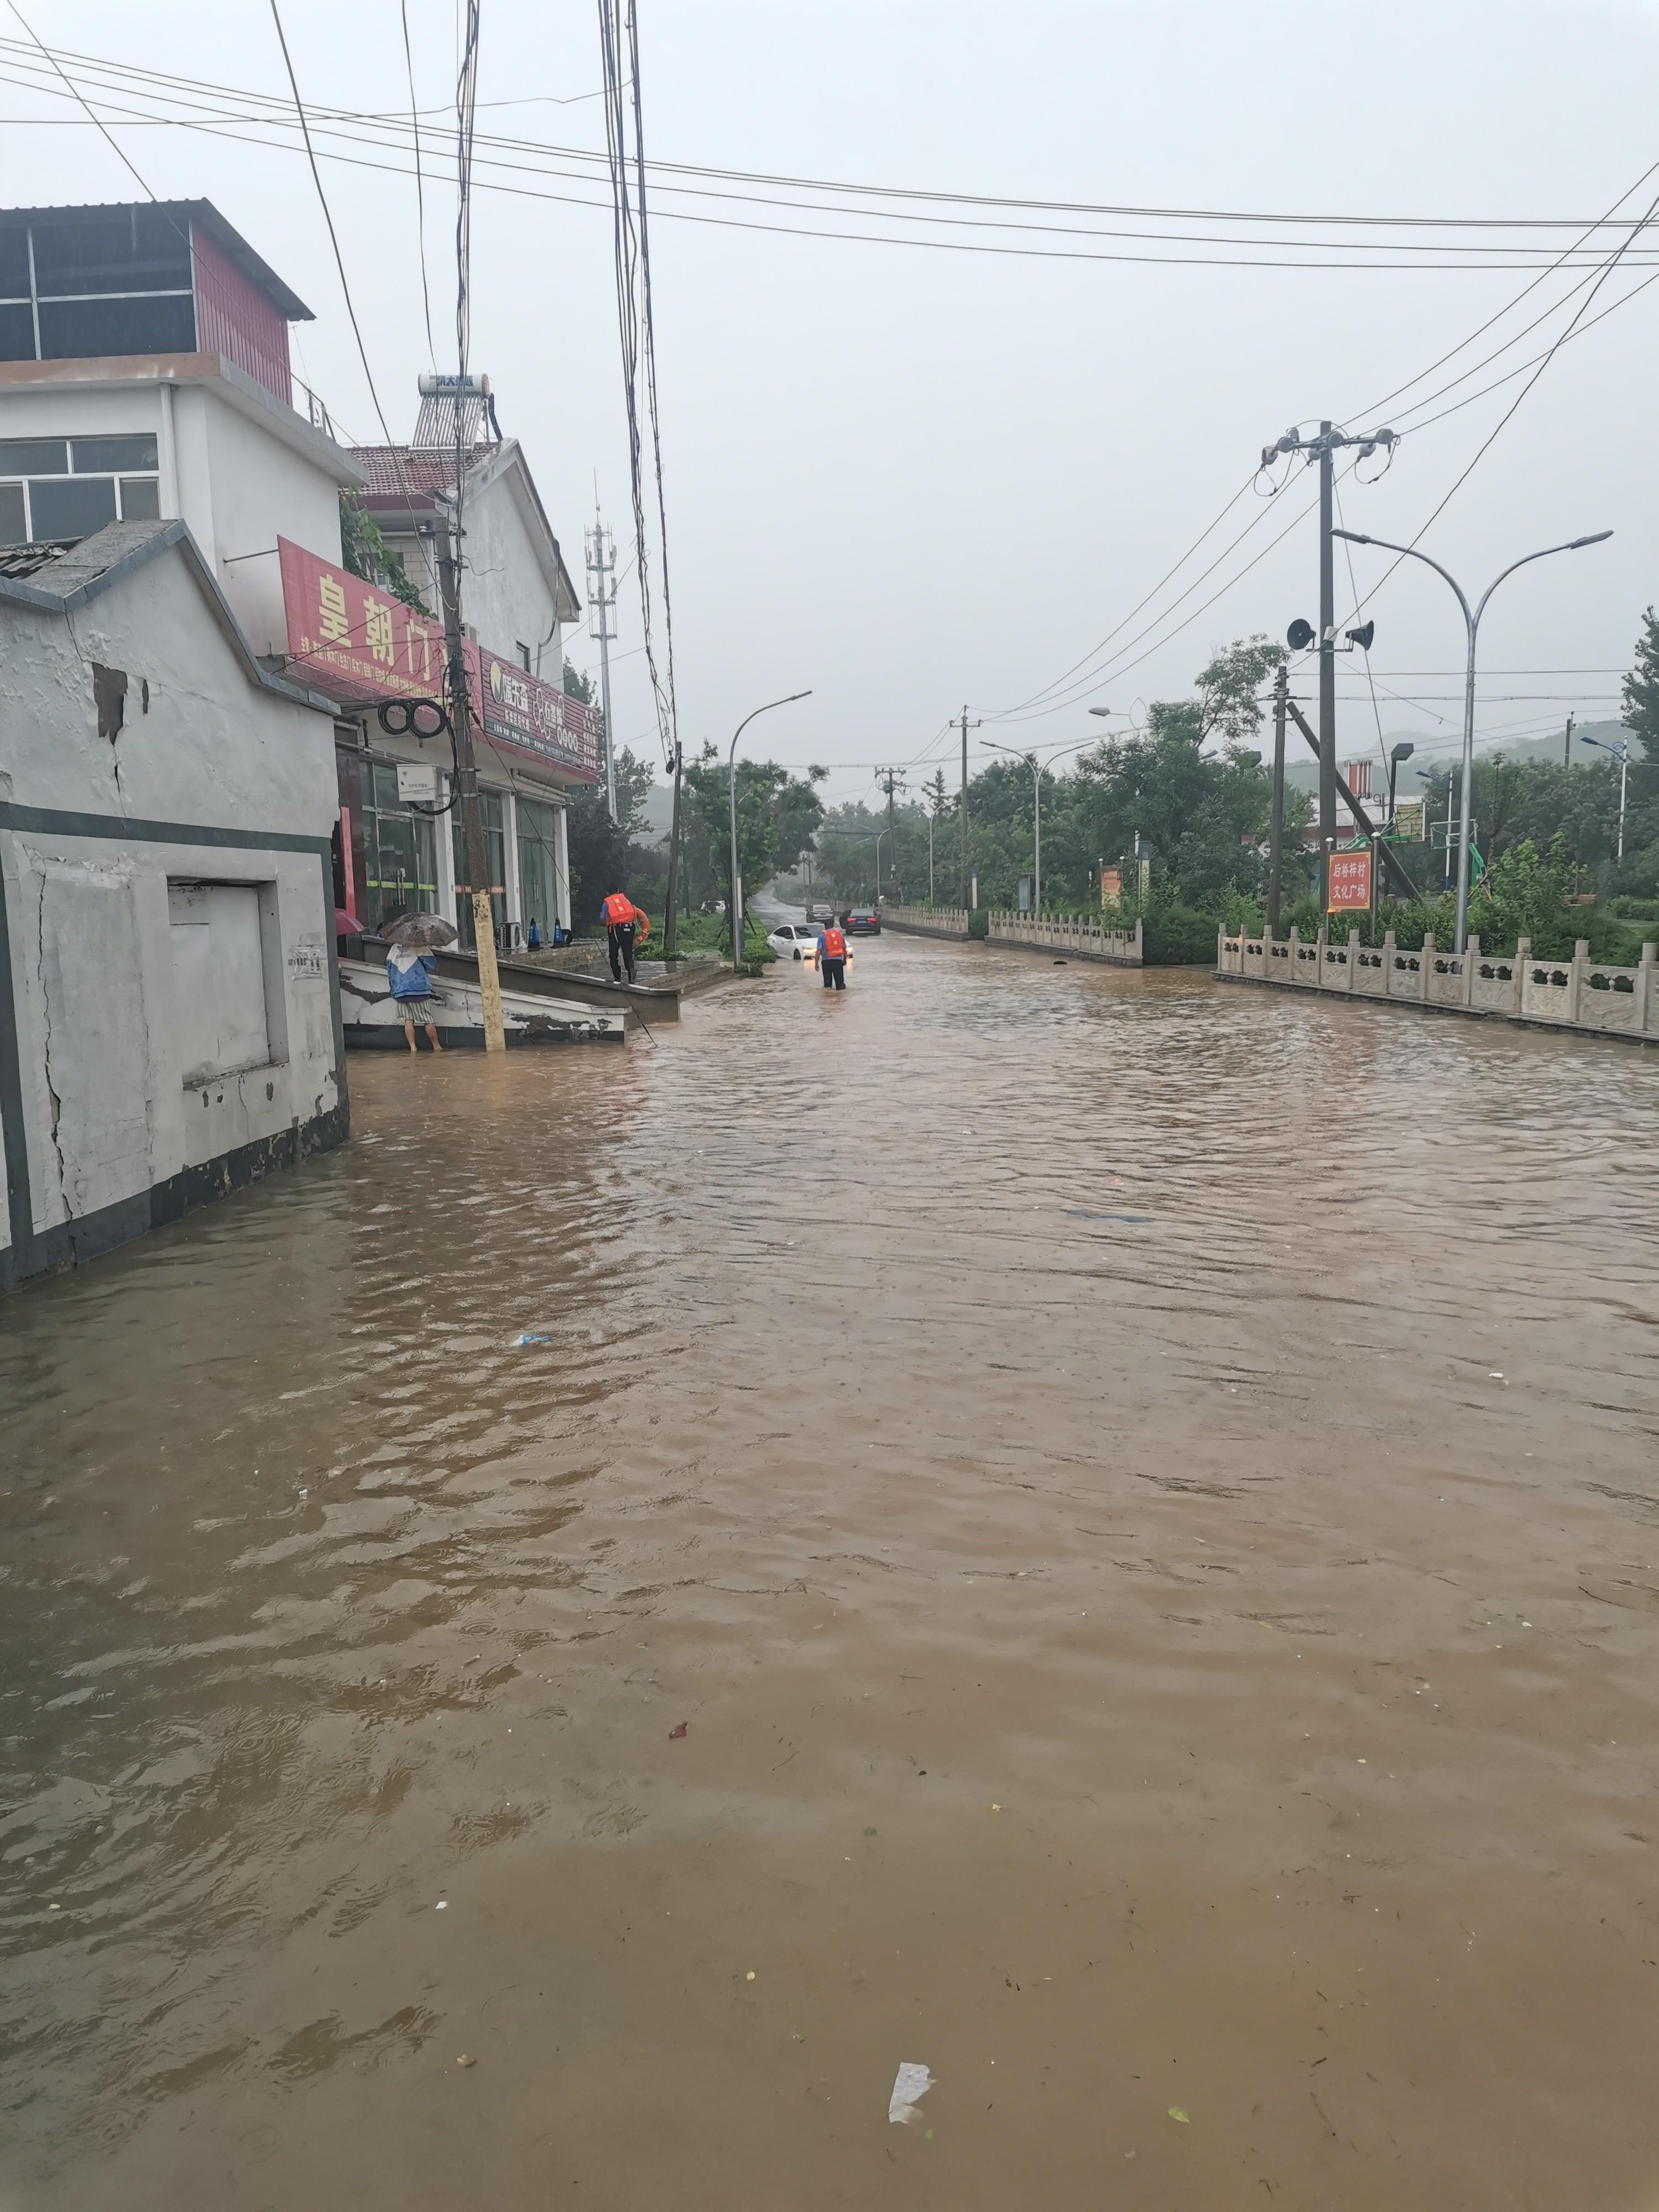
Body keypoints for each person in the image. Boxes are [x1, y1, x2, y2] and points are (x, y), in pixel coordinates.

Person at [387, 943, 444, 1053]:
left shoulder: (394, 948)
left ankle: (413, 1048)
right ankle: (436, 1047)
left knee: (408, 1020)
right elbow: (431, 964)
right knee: (428, 1020)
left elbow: (389, 970)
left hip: (400, 990)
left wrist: (393, 991)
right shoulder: (420, 946)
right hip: (418, 989)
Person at [600, 888, 651, 983]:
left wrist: (607, 923)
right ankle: (632, 979)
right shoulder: (625, 900)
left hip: (616, 930)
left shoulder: (606, 903)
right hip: (629, 929)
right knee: (628, 954)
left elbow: (602, 918)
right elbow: (632, 912)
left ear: (607, 893)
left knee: (613, 955)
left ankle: (617, 978)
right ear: (618, 891)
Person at [817, 917, 848, 990]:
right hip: (838, 962)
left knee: (827, 987)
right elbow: (845, 949)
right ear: (833, 925)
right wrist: (845, 960)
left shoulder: (822, 936)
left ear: (825, 926)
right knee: (840, 985)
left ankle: (828, 996)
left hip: (826, 962)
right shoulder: (839, 935)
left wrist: (816, 964)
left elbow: (818, 951)